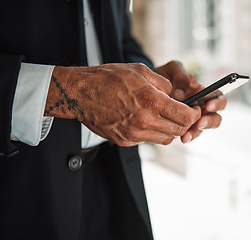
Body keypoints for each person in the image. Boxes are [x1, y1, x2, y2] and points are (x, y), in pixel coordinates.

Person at [0, 0, 226, 239]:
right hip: (20, 194)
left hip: (114, 183)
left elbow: (120, 39)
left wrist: (155, 86)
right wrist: (77, 92)